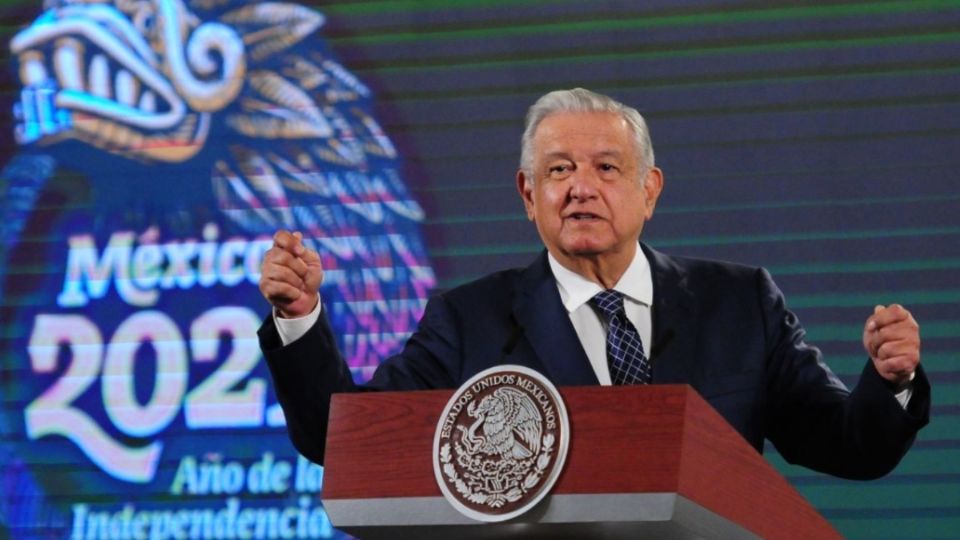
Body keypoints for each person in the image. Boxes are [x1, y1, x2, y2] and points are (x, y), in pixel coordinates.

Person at [258, 88, 929, 479]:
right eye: (558, 171)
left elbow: (847, 444)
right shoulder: (468, 322)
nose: (581, 187)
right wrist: (301, 319)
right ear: (527, 194)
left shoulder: (740, 305)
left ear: (649, 191)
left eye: (607, 167)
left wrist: (890, 382)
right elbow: (340, 440)